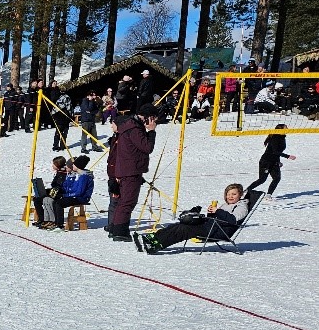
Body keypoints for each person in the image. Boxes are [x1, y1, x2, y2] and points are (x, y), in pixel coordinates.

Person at [136, 183, 248, 253]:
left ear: (240, 195)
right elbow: (220, 217)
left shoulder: (242, 207)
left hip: (219, 231)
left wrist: (218, 211)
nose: (230, 197)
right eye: (228, 194)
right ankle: (154, 238)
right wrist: (211, 213)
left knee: (185, 229)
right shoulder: (227, 205)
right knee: (182, 224)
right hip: (211, 227)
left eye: (234, 194)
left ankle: (157, 244)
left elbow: (233, 220)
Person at [106, 104, 158, 242]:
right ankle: (119, 231)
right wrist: (151, 132)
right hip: (130, 170)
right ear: (148, 117)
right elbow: (147, 147)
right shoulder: (134, 129)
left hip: (126, 169)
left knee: (122, 201)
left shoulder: (129, 127)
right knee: (127, 201)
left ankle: (115, 228)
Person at [248, 127, 296, 196]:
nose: (287, 128)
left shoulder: (282, 138)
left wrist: (278, 161)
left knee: (277, 178)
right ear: (280, 129)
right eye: (285, 127)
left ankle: (269, 195)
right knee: (262, 180)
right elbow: (275, 151)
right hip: (266, 161)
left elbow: (278, 152)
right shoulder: (275, 138)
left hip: (274, 161)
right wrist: (288, 156)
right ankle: (246, 191)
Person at [33, 156, 68, 229]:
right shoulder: (59, 172)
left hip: (58, 193)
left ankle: (46, 219)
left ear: (58, 164)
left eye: (54, 164)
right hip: (55, 191)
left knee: (40, 199)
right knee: (37, 198)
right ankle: (42, 218)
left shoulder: (63, 173)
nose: (52, 166)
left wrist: (51, 191)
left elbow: (58, 186)